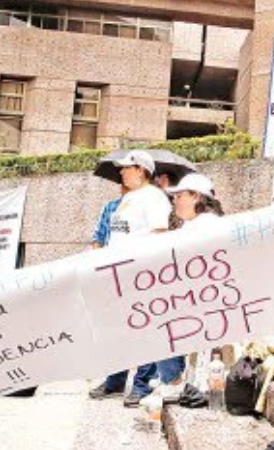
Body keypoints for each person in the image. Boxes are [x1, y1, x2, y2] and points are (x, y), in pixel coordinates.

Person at [87, 150, 185, 407]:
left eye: (126, 167)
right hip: (118, 273)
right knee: (119, 329)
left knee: (145, 330)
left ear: (141, 169)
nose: (121, 172)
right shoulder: (128, 199)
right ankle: (115, 381)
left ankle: (142, 385)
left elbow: (159, 235)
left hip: (139, 274)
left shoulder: (154, 198)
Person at [134, 173, 224, 405]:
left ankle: (173, 381)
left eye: (179, 195)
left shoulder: (208, 224)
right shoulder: (193, 224)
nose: (174, 200)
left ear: (195, 197)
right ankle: (173, 378)